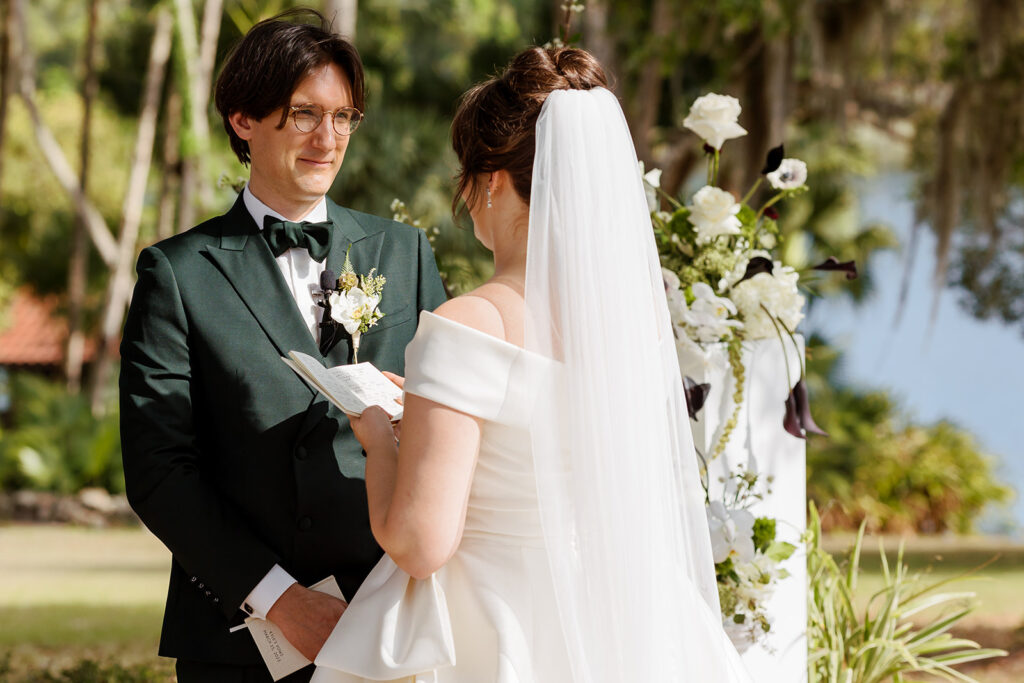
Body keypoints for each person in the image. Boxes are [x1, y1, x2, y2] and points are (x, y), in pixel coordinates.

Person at [311, 46, 753, 682]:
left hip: (491, 627)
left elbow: (420, 544)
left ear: (490, 180)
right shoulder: (631, 323)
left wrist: (380, 437)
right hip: (622, 621)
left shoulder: (470, 324)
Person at [118, 10, 447, 682]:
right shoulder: (178, 272)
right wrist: (279, 600)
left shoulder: (403, 252)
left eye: (344, 117)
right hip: (245, 642)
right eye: (304, 114)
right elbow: (159, 469)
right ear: (243, 119)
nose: (328, 138)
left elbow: (449, 428)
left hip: (392, 626)